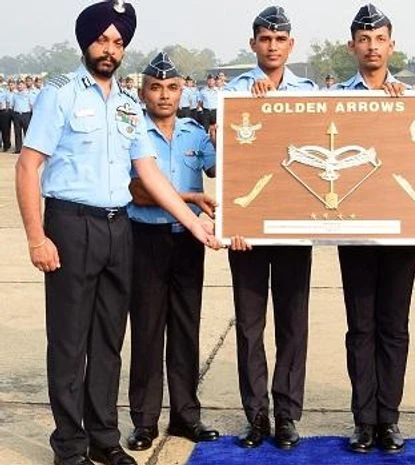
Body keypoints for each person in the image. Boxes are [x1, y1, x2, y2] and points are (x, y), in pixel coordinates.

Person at [14, 2, 219, 465]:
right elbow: (29, 165)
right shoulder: (60, 93)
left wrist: (194, 223)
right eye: (102, 40)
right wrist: (35, 236)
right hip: (69, 225)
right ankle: (69, 448)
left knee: (109, 341)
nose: (110, 50)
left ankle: (103, 440)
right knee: (69, 343)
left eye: (118, 42)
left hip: (117, 228)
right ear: (85, 40)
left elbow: (150, 174)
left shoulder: (128, 104)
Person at [224, 5, 317, 450]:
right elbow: (224, 153)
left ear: (290, 45)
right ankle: (256, 414)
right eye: (265, 39)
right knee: (249, 325)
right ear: (253, 44)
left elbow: (319, 143)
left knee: (292, 324)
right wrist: (253, 108)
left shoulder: (310, 90)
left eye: (280, 40)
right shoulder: (234, 91)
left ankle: (287, 414)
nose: (272, 46)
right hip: (249, 223)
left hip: (295, 221)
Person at [124, 52, 220, 452]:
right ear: (143, 91)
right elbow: (139, 191)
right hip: (144, 240)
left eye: (172, 88)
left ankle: (185, 417)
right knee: (147, 330)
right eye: (156, 87)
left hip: (187, 240)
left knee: (185, 330)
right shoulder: (131, 131)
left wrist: (229, 137)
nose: (164, 96)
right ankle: (144, 421)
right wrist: (192, 197)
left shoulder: (194, 134)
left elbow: (224, 169)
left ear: (184, 91)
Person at [332, 3, 415, 454]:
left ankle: (390, 419)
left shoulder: (411, 96)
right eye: (363, 39)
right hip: (354, 227)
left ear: (391, 45)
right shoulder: (334, 98)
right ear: (352, 46)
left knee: (394, 327)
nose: (371, 47)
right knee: (360, 327)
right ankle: (363, 419)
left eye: (379, 39)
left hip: (400, 228)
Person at [11, 78, 33, 153]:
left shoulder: (28, 94)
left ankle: (27, 150)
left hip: (26, 115)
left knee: (27, 132)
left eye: (21, 84)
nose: (19, 86)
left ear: (24, 85)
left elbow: (31, 105)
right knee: (17, 133)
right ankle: (18, 149)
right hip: (17, 114)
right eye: (18, 84)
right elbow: (12, 105)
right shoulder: (15, 95)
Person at [0, 76, 11, 152]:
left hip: (3, 112)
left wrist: (6, 109)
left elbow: (8, 101)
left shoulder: (5, 91)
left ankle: (6, 145)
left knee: (5, 130)